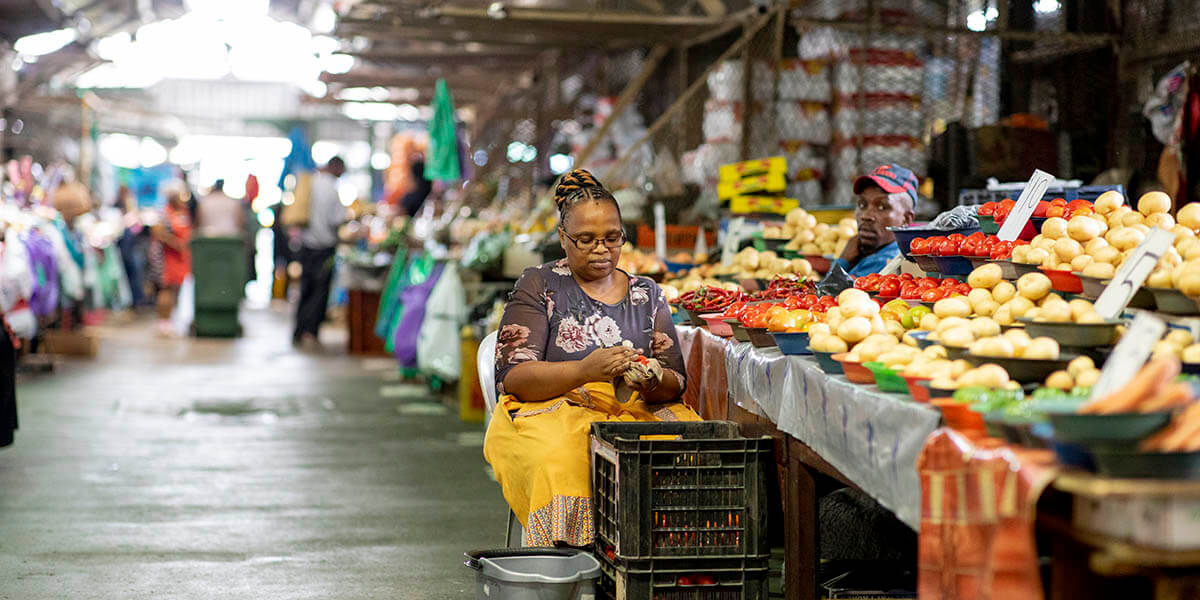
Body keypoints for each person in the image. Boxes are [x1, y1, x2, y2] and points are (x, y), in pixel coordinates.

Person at [483, 169, 700, 548]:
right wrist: (586, 370)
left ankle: (663, 560)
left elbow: (675, 382)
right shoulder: (540, 284)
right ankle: (575, 561)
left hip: (632, 410)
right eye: (585, 239)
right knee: (561, 458)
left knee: (691, 445)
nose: (601, 249)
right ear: (562, 239)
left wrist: (650, 378)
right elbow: (514, 376)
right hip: (555, 407)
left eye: (612, 238)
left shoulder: (646, 293)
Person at [293, 157, 348, 348]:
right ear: (336, 167)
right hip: (324, 247)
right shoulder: (332, 188)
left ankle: (299, 329)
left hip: (306, 245)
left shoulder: (311, 183)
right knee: (320, 291)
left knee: (305, 288)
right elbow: (337, 219)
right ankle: (311, 331)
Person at [835, 163, 919, 276]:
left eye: (882, 207)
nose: (865, 216)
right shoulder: (867, 252)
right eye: (862, 204)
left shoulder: (886, 263)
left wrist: (843, 261)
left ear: (906, 219)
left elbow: (827, 291)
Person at [151, 182, 192, 337]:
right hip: (166, 258)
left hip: (180, 259)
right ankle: (163, 323)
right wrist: (176, 244)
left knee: (176, 290)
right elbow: (158, 232)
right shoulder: (164, 213)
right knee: (166, 289)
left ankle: (169, 321)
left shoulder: (183, 212)